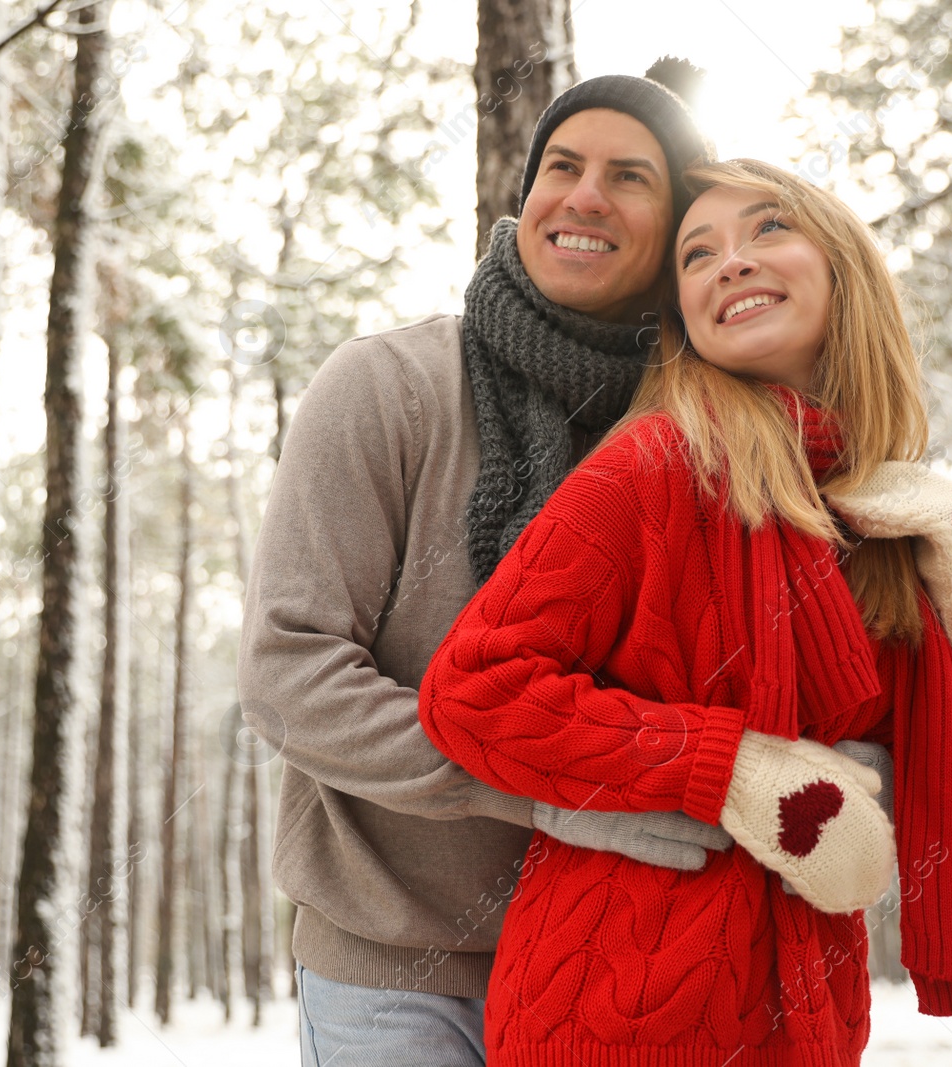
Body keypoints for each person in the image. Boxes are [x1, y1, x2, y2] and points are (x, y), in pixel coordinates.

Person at [417, 158, 952, 1066]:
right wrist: (732, 768)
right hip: (615, 1009)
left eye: (768, 229)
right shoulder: (655, 467)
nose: (731, 261)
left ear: (844, 268)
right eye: (698, 254)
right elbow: (473, 690)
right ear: (684, 319)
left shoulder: (885, 512)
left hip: (809, 1018)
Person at [238, 69, 723, 1066]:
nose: (584, 195)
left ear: (675, 224)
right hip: (394, 962)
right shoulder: (389, 386)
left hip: (630, 951)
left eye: (629, 175)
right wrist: (545, 782)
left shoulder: (711, 428)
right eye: (562, 165)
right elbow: (290, 674)